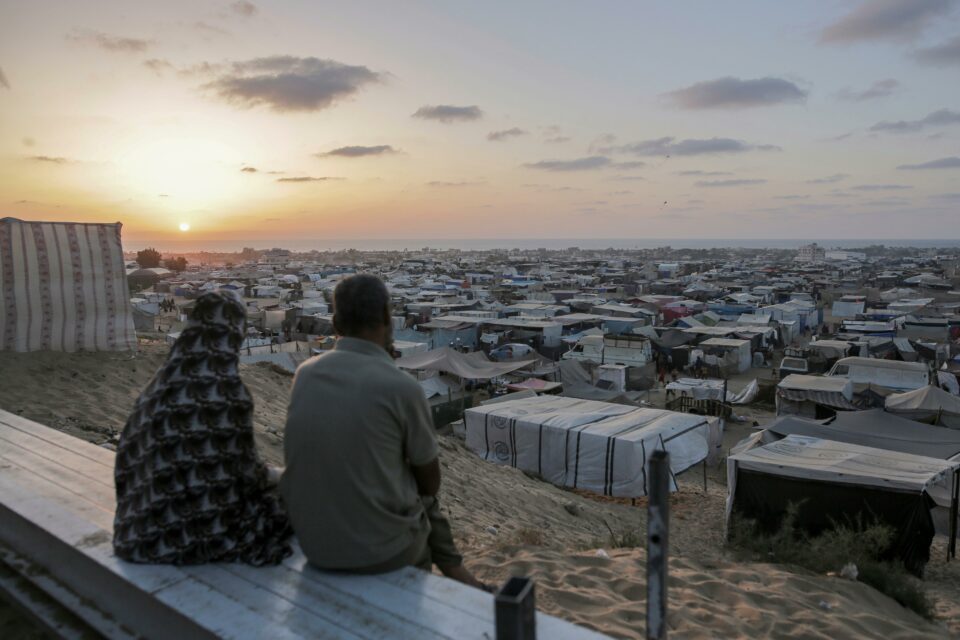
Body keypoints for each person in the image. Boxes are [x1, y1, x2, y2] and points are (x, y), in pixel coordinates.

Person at [281, 274, 486, 588]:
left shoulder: (305, 375)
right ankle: (457, 573)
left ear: (335, 324)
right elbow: (430, 483)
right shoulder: (402, 388)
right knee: (423, 501)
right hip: (381, 556)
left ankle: (458, 572)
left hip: (315, 547)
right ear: (388, 321)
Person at [113, 290, 293, 565]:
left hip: (138, 532)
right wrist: (279, 477)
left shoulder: (158, 386)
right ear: (234, 334)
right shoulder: (229, 394)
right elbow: (244, 475)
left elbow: (126, 462)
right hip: (193, 538)